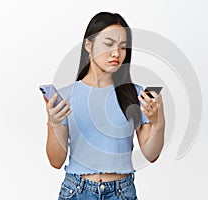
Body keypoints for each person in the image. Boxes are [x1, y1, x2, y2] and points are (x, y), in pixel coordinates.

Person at [43, 12, 165, 200]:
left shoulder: (137, 95)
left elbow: (151, 154)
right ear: (88, 46)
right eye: (108, 44)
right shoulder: (65, 97)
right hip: (76, 191)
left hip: (121, 192)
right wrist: (53, 123)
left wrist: (158, 121)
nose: (117, 53)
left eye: (123, 47)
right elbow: (56, 161)